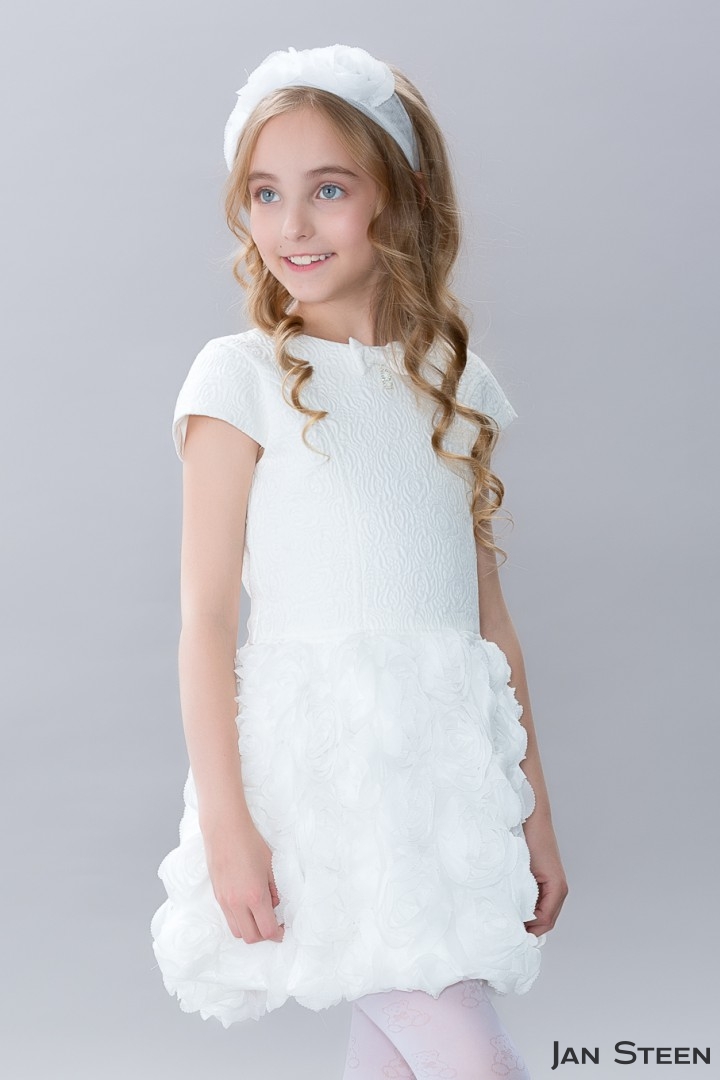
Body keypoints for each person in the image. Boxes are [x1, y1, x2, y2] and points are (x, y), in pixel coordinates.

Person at [150, 43, 568, 1079]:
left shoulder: (453, 384)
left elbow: (489, 624)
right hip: (326, 789)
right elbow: (206, 622)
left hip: (444, 784)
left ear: (403, 193)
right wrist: (229, 828)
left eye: (329, 189)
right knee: (475, 1064)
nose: (292, 225)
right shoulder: (239, 378)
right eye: (266, 193)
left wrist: (534, 813)